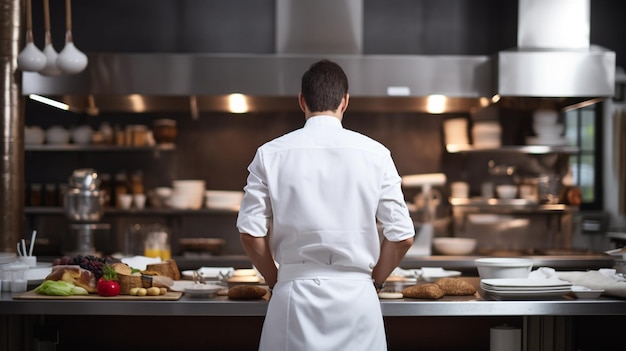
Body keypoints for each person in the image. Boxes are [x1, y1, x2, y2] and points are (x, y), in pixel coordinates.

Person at [236, 59, 415, 351]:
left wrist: (276, 280)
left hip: (294, 294)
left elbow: (249, 232)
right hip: (358, 298)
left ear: (302, 101)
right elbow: (402, 236)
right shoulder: (377, 154)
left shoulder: (270, 154)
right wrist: (376, 280)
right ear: (345, 102)